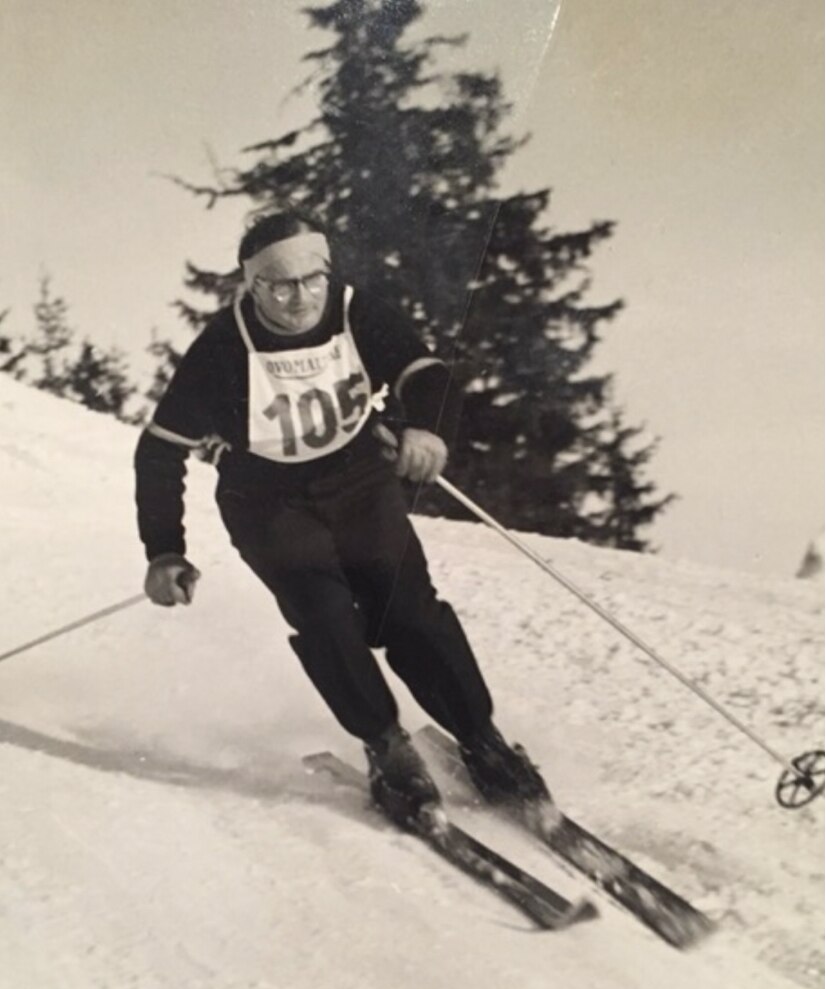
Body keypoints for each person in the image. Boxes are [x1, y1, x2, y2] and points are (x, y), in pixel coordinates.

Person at [134, 209, 549, 827]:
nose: (298, 297)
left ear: (328, 273)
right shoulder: (222, 348)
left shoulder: (357, 312)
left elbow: (429, 375)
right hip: (267, 502)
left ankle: (481, 739)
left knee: (407, 610)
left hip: (358, 482)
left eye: (311, 279)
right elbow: (160, 450)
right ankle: (386, 746)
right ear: (252, 286)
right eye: (279, 285)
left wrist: (428, 431)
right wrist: (165, 551)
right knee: (326, 616)